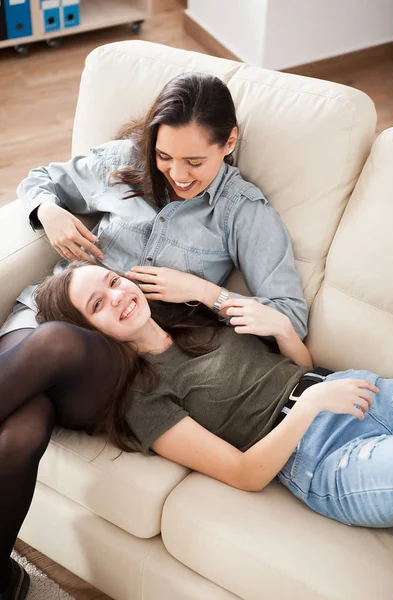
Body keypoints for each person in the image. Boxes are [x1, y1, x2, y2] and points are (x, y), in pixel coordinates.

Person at [0, 71, 308, 599]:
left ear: (228, 142)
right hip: (42, 318)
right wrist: (48, 211)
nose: (177, 175)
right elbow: (40, 180)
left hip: (109, 365)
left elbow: (287, 318)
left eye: (195, 162)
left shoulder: (241, 212)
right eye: (165, 157)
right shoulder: (120, 162)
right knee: (20, 435)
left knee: (62, 343)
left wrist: (204, 292)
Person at [24, 260, 393, 533]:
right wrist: (311, 404)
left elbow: (297, 372)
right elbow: (245, 473)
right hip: (324, 456)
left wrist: (283, 331)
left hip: (362, 390)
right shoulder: (139, 400)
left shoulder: (193, 320)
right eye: (97, 304)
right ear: (89, 334)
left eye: (113, 281)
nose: (118, 296)